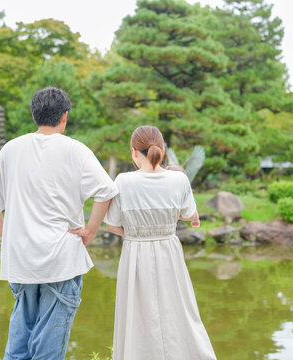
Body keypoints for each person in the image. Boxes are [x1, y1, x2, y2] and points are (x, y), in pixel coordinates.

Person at [0, 86, 118, 360]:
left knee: (19, 345)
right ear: (65, 116)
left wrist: (10, 237)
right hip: (61, 259)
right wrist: (90, 230)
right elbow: (106, 192)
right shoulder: (76, 150)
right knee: (48, 351)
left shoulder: (11, 149)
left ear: (34, 115)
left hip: (21, 261)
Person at [104, 125, 216, 360]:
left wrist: (136, 233)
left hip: (135, 251)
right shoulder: (178, 179)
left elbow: (112, 224)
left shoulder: (123, 182)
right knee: (177, 309)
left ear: (134, 152)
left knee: (136, 314)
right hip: (169, 250)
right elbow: (188, 213)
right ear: (162, 150)